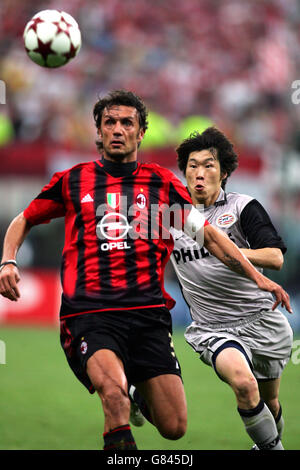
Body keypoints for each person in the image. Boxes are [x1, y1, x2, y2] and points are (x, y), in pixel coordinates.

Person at [0, 91, 291, 451]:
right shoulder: (73, 180)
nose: (117, 129)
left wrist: (260, 279)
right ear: (99, 131)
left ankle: (137, 391)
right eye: (110, 122)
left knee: (173, 426)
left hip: (148, 316)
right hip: (91, 313)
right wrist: (8, 259)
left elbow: (212, 238)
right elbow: (23, 219)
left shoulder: (160, 184)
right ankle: (125, 402)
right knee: (113, 396)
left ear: (141, 134)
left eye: (127, 123)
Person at [168, 127, 293, 450]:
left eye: (208, 165)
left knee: (271, 403)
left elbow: (275, 257)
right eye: (192, 165)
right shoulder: (173, 216)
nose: (199, 172)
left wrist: (223, 248)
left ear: (224, 173)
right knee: (243, 384)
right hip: (213, 328)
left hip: (262, 320)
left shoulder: (243, 206)